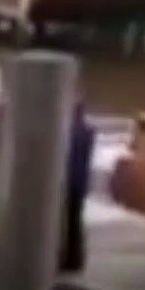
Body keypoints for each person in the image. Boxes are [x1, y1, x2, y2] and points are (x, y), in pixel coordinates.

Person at [61, 103, 96, 273]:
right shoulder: (87, 131)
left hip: (68, 182)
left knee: (66, 221)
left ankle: (69, 259)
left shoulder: (70, 133)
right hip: (79, 183)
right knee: (74, 221)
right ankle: (74, 259)